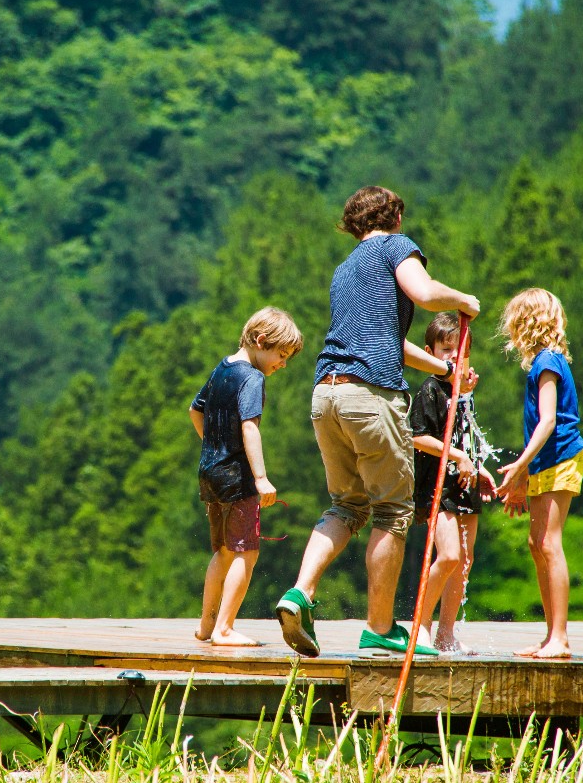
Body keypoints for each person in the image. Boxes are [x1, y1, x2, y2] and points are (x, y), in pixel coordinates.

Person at [276, 186, 479, 658]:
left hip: (326, 395)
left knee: (347, 505)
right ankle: (380, 628)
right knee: (391, 511)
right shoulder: (396, 247)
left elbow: (389, 341)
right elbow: (425, 293)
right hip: (371, 396)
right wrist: (463, 299)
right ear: (396, 217)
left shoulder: (345, 268)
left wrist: (445, 370)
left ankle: (300, 592)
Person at [190, 307, 303, 647]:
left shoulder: (222, 367)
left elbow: (195, 409)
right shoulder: (253, 378)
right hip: (237, 478)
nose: (282, 364)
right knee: (246, 553)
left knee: (223, 551)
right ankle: (224, 629)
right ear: (261, 340)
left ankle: (207, 626)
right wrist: (261, 478)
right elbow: (250, 427)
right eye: (281, 355)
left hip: (211, 472)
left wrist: (214, 446)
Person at [495, 288, 583, 659]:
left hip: (560, 456)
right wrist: (524, 476)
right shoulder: (542, 362)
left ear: (527, 322)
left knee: (549, 543)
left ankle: (560, 638)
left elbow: (548, 421)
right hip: (545, 461)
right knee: (537, 544)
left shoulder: (548, 360)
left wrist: (520, 466)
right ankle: (551, 635)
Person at [409, 312, 496, 655]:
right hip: (439, 487)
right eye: (446, 350)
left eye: (460, 350)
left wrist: (478, 466)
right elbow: (418, 437)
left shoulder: (465, 392)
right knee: (448, 556)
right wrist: (459, 456)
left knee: (463, 562)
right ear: (429, 353)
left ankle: (446, 634)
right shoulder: (430, 390)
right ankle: (420, 626)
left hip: (465, 483)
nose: (454, 357)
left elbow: (467, 434)